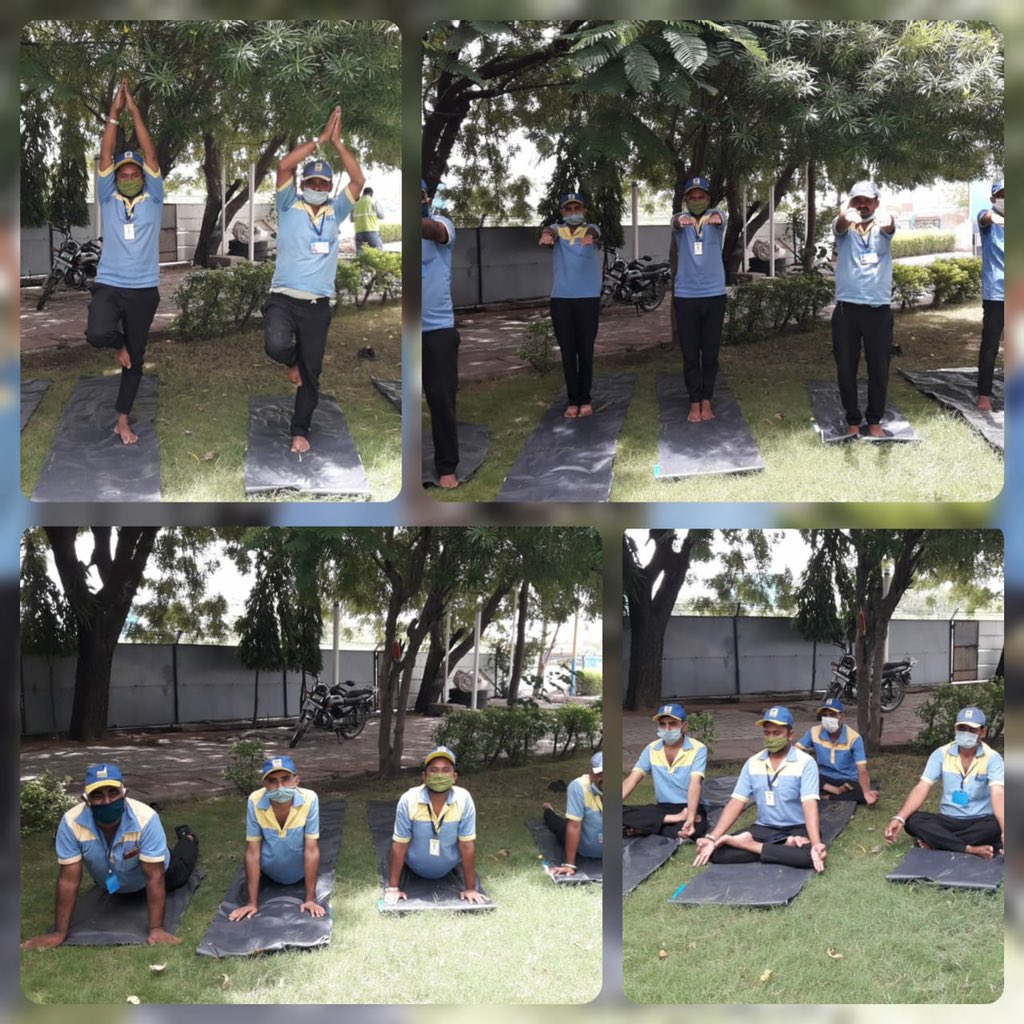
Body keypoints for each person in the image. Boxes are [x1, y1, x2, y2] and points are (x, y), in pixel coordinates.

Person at [264, 105, 365, 454]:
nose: (318, 186)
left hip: (318, 304)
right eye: (313, 181)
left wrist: (339, 145)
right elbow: (283, 166)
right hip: (283, 297)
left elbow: (358, 180)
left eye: (324, 182)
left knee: (313, 374)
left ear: (328, 187)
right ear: (304, 184)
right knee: (275, 344)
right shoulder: (289, 202)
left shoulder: (336, 211)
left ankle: (299, 430)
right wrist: (320, 141)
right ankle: (292, 362)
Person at [20, 763, 198, 949]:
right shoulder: (71, 824)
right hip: (117, 884)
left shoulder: (146, 819)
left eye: (113, 792)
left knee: (183, 864)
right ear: (86, 799)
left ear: (124, 795)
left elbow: (155, 877)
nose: (106, 801)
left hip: (164, 872)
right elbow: (68, 880)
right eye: (97, 795)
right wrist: (58, 933)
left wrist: (156, 928)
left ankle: (188, 837)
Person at [85, 77, 164, 446]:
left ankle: (122, 420)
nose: (130, 177)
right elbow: (105, 156)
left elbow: (151, 157)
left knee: (136, 357)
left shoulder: (155, 198)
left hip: (144, 290)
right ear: (116, 179)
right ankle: (118, 343)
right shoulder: (107, 196)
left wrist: (135, 109)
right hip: (111, 283)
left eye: (135, 174)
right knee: (97, 333)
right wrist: (114, 117)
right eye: (124, 174)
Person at [693, 706, 827, 872]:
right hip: (764, 828)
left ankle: (752, 845)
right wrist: (712, 838)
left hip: (798, 827)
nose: (771, 738)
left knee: (809, 856)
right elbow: (737, 801)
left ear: (790, 735)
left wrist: (815, 844)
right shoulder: (753, 763)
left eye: (777, 733)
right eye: (767, 733)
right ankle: (784, 845)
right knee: (717, 852)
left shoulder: (805, 763)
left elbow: (809, 804)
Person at [884, 706, 1004, 858]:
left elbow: (998, 792)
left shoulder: (993, 758)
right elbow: (923, 786)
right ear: (955, 729)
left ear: (982, 732)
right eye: (962, 728)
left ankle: (938, 842)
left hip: (979, 820)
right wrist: (899, 818)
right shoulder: (941, 753)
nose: (966, 733)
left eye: (971, 730)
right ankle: (969, 849)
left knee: (995, 827)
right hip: (947, 819)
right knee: (912, 821)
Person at [831, 180, 897, 438]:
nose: (862, 205)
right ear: (850, 203)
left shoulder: (882, 227)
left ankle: (875, 419)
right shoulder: (845, 228)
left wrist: (888, 218)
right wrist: (844, 216)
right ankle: (852, 420)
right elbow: (838, 227)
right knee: (846, 368)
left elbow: (891, 225)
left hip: (878, 310)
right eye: (857, 200)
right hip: (847, 310)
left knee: (878, 368)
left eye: (867, 200)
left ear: (876, 203)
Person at [228, 755, 325, 921]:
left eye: (285, 779)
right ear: (264, 784)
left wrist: (310, 899)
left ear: (296, 780)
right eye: (272, 781)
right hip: (268, 870)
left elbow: (311, 849)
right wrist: (251, 902)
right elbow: (252, 852)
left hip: (300, 870)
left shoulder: (310, 799)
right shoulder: (255, 800)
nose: (280, 787)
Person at [384, 745, 486, 904]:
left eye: (446, 770)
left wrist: (471, 888)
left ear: (454, 777)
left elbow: (467, 844)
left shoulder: (464, 799)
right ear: (424, 776)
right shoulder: (409, 799)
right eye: (434, 770)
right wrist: (393, 888)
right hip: (412, 867)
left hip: (449, 868)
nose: (440, 775)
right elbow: (399, 844)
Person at [539, 192, 602, 419]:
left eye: (577, 209)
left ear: (584, 211)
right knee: (567, 351)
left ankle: (585, 399)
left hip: (588, 300)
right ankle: (572, 400)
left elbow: (595, 233)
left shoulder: (591, 229)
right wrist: (546, 235)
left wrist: (589, 237)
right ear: (562, 213)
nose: (573, 213)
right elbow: (549, 231)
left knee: (585, 350)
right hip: (561, 300)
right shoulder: (557, 230)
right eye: (568, 209)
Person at [671, 175, 727, 423]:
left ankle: (707, 400)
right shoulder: (680, 222)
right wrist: (678, 217)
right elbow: (674, 220)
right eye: (691, 197)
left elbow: (721, 216)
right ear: (686, 200)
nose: (696, 201)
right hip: (686, 296)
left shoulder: (716, 219)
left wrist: (715, 215)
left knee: (711, 352)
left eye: (700, 196)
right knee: (690, 353)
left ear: (708, 198)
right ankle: (694, 402)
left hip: (714, 295)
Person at [422, 178, 460, 488]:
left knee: (441, 399)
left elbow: (435, 232)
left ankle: (447, 466)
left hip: (438, 331)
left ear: (426, 197)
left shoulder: (441, 224)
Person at [621, 703, 708, 839]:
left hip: (689, 806)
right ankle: (670, 820)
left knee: (695, 829)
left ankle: (646, 827)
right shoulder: (651, 748)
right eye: (662, 724)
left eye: (673, 724)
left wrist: (691, 817)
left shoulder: (698, 749)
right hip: (663, 809)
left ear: (685, 726)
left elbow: (695, 784)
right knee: (615, 811)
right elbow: (632, 781)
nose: (667, 729)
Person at [796, 697, 878, 804]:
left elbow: (862, 769)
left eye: (832, 715)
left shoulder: (854, 738)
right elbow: (795, 751)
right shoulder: (814, 732)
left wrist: (866, 792)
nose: (828, 718)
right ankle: (835, 791)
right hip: (823, 777)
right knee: (800, 778)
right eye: (825, 715)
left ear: (842, 716)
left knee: (861, 794)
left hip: (847, 779)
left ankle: (825, 797)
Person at [544, 752, 603, 875]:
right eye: (599, 773)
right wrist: (570, 865)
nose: (603, 777)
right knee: (556, 824)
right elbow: (574, 826)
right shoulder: (578, 787)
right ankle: (548, 810)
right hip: (574, 828)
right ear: (591, 773)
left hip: (592, 826)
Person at [977, 179, 1004, 412]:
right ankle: (984, 395)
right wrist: (994, 217)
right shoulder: (987, 218)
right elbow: (985, 218)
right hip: (996, 294)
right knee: (990, 345)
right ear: (994, 199)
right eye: (1002, 195)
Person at [351, 186, 385, 250]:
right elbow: (382, 216)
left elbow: (352, 219)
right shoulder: (373, 201)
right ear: (371, 193)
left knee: (361, 254)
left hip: (358, 232)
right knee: (376, 252)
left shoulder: (355, 203)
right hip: (371, 231)